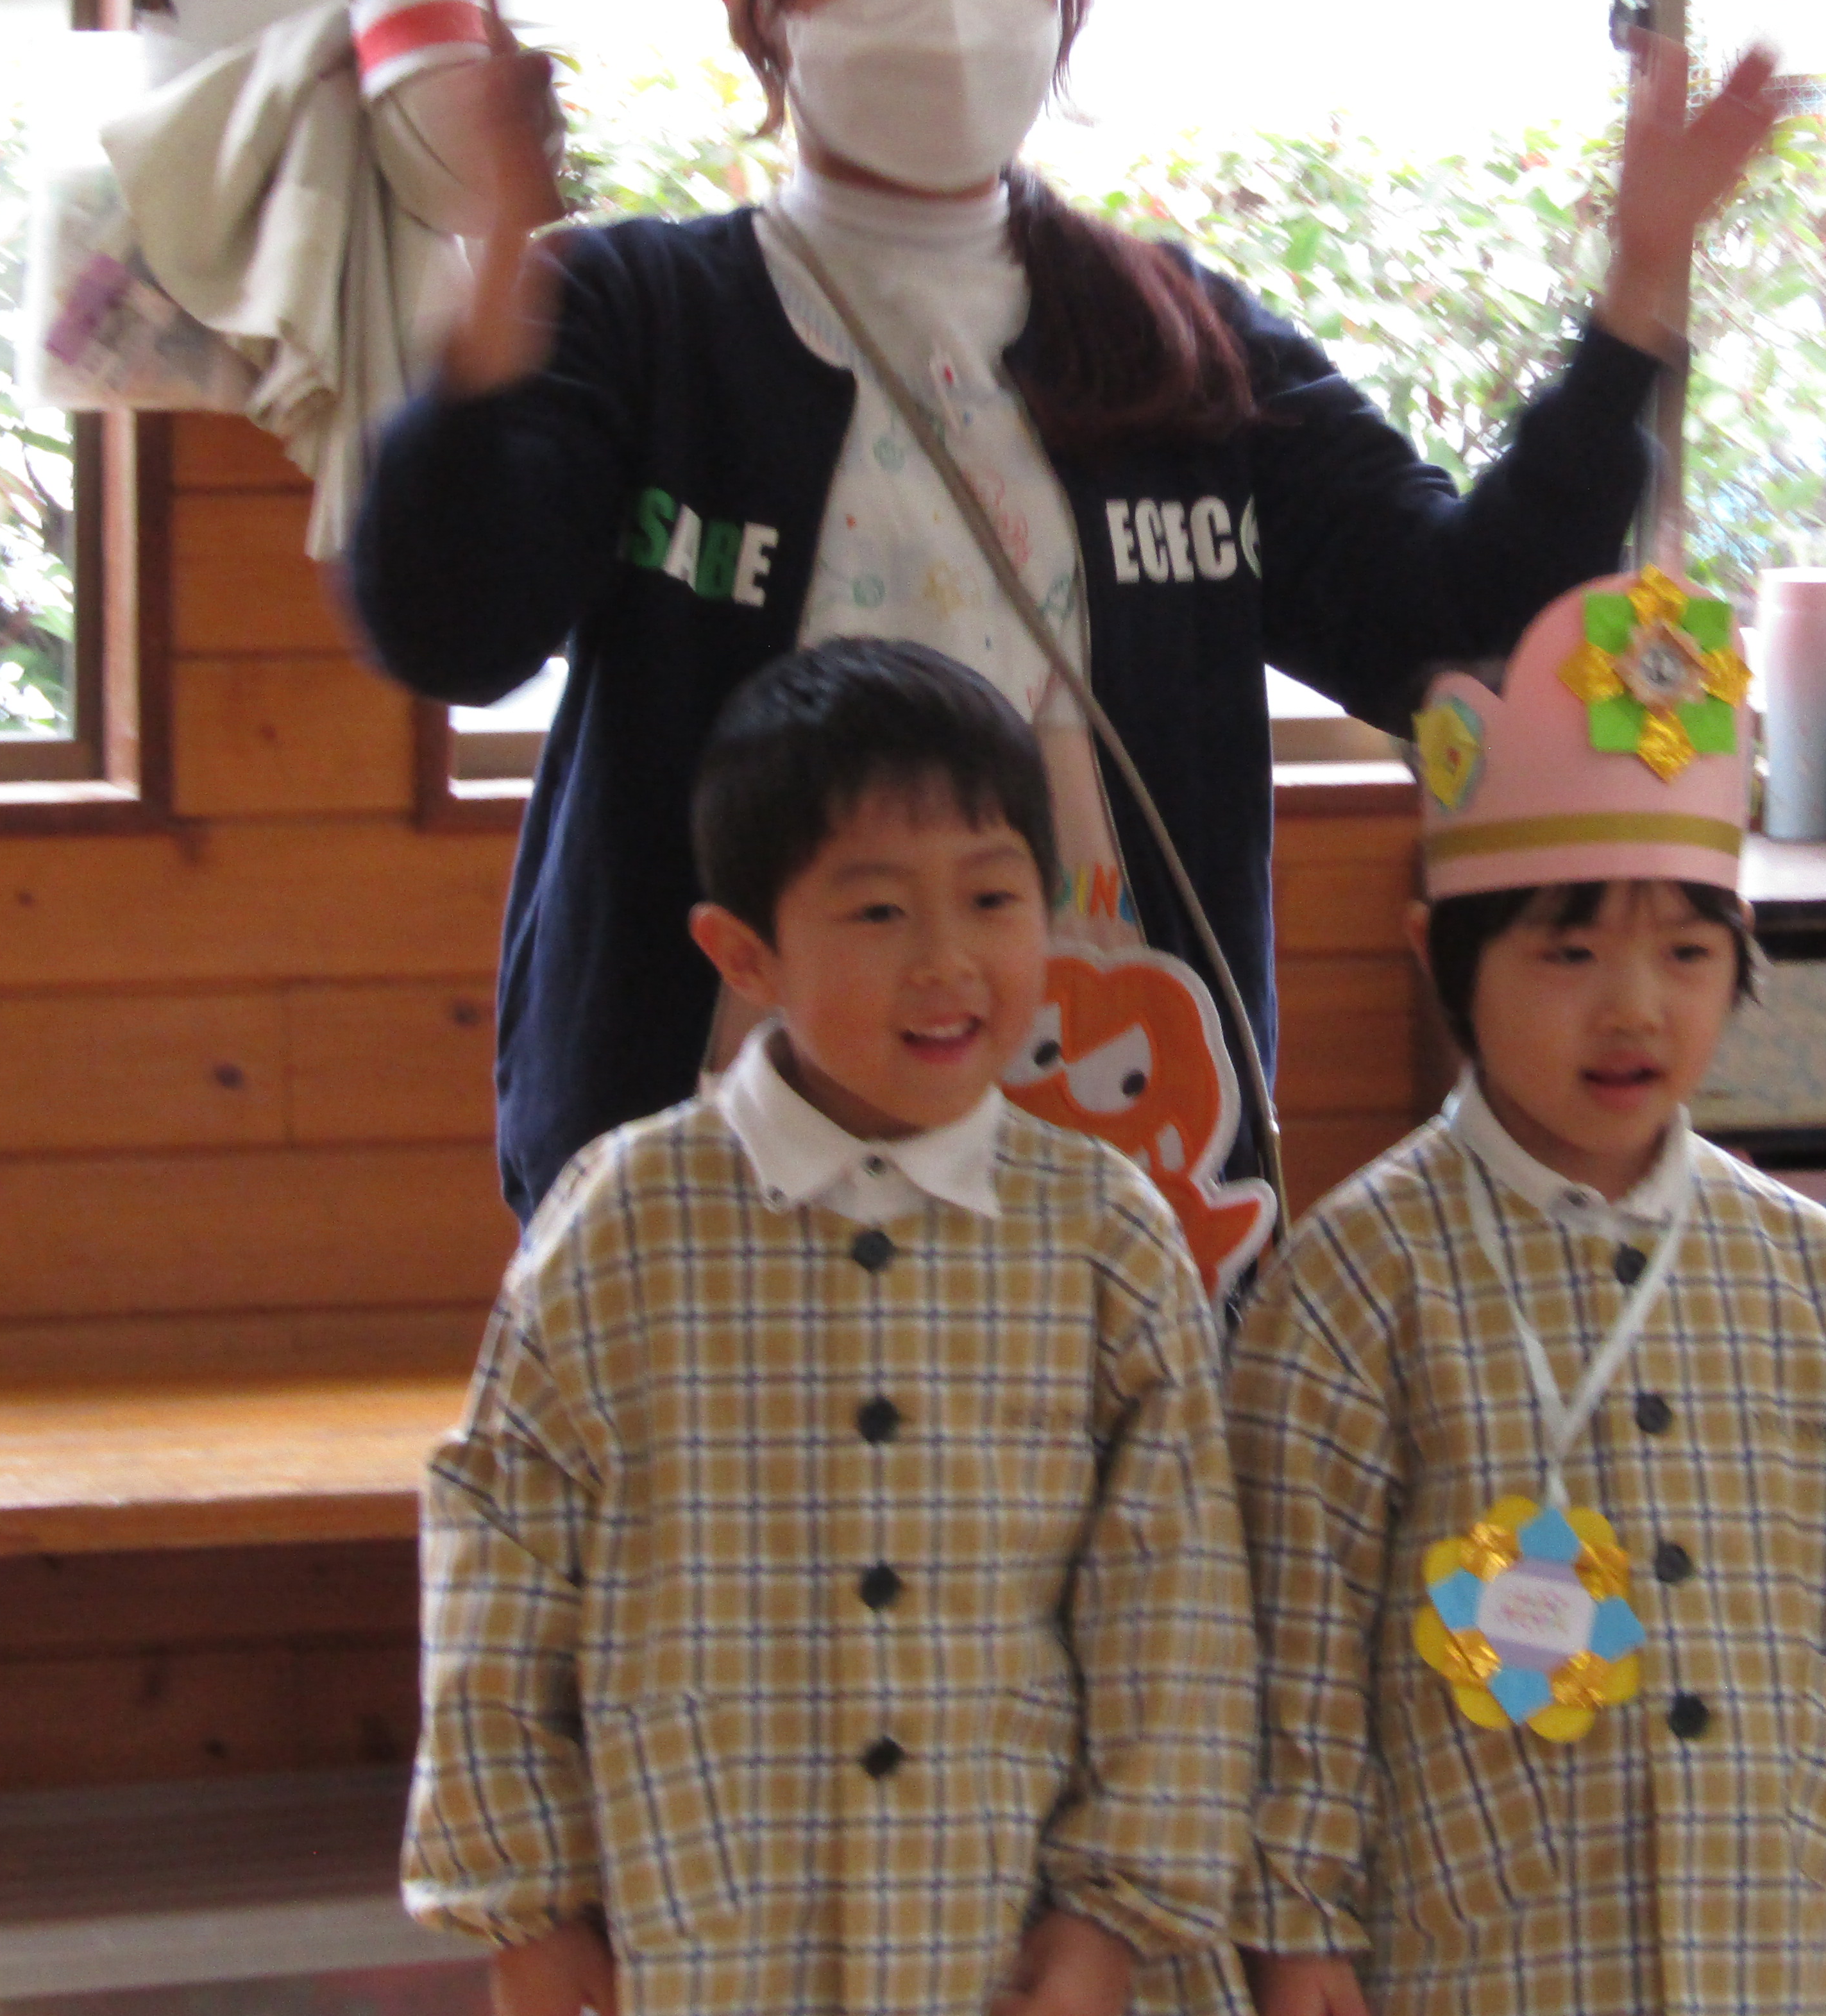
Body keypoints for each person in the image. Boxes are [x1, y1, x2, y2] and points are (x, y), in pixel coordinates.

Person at [344, 0, 1790, 1247]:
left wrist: (1634, 298)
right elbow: (451, 629)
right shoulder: (638, 315)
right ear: (759, 5)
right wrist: (496, 259)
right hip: (697, 1164)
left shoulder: (1183, 344)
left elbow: (1453, 629)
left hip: (1115, 1164)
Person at [402, 637, 1256, 2016]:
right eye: (877, 913)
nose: (947, 963)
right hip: (710, 1941)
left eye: (992, 899)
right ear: (745, 952)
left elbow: (1176, 1609)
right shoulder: (619, 1228)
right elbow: (497, 1570)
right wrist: (526, 1907)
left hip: (1010, 1949)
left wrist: (1117, 1911)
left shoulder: (1107, 1240)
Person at [1225, 570, 1826, 2016]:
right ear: (1440, 960)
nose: (1634, 1008)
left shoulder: (1810, 1276)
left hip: (1793, 1949)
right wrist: (1299, 1932)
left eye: (1687, 953)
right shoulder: (1351, 1287)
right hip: (1489, 1960)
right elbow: (1299, 1648)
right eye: (1569, 952)